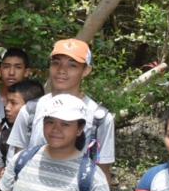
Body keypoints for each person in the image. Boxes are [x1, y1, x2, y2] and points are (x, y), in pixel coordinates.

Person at [7, 38, 116, 178]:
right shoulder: (31, 110)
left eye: (72, 65)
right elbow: (16, 161)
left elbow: (102, 172)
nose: (61, 70)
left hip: (74, 190)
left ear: (86, 70)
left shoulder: (99, 118)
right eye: (56, 63)